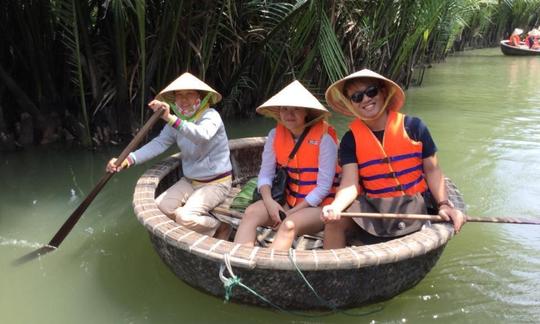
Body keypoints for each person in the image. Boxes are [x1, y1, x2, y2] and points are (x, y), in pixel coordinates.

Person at [321, 69, 466, 249]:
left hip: (416, 206)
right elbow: (349, 183)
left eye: (371, 92)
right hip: (376, 208)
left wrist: (444, 204)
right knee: (334, 223)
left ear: (383, 92)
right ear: (351, 103)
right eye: (357, 97)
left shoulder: (414, 126)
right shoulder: (350, 140)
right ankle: (333, 273)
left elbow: (432, 169)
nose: (365, 99)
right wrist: (336, 206)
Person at [106, 72, 233, 239]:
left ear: (201, 98)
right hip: (191, 180)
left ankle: (222, 226)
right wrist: (127, 160)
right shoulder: (176, 122)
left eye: (189, 94)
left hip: (216, 183)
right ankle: (205, 224)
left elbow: (202, 135)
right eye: (179, 96)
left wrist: (170, 118)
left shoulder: (210, 116)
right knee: (160, 207)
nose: (184, 100)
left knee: (184, 218)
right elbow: (158, 144)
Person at [233, 80, 339, 250]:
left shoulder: (325, 138)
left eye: (296, 108)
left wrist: (291, 213)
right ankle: (238, 263)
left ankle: (267, 272)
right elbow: (265, 174)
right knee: (251, 212)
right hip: (286, 200)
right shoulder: (274, 135)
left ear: (307, 112)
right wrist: (269, 202)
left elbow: (324, 187)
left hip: (318, 206)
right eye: (285, 109)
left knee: (288, 225)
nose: (289, 114)